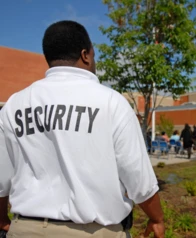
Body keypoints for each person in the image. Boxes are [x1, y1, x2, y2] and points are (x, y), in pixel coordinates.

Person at [0, 21, 164, 238]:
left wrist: (2, 219)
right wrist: (156, 218)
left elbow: (2, 178)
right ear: (85, 55)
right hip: (94, 231)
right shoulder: (111, 103)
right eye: (94, 55)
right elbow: (138, 177)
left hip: (26, 230)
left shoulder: (14, 105)